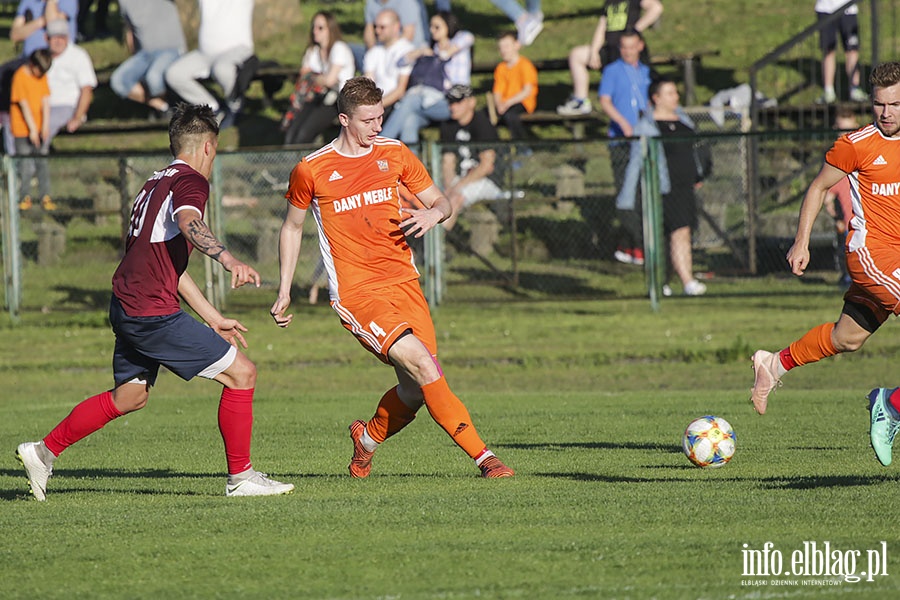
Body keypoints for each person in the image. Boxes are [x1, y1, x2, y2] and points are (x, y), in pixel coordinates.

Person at [16, 103, 295, 500]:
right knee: (242, 375)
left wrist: (213, 317)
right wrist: (229, 258)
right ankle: (242, 478)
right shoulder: (191, 181)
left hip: (128, 303)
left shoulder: (153, 183)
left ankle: (43, 453)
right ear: (209, 147)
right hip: (151, 312)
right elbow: (188, 223)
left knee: (130, 397)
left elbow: (169, 264)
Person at [270, 76, 514, 479]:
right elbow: (292, 228)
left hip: (404, 283)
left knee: (416, 389)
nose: (377, 127)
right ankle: (486, 460)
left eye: (381, 117)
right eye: (368, 120)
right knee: (424, 366)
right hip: (358, 293)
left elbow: (442, 200)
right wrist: (283, 290)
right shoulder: (311, 169)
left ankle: (366, 440)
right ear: (344, 119)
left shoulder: (395, 153)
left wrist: (435, 213)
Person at [749, 62, 900, 469]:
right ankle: (892, 407)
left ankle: (773, 364)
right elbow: (817, 187)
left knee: (847, 338)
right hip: (871, 253)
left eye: (895, 104)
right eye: (879, 104)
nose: (886, 113)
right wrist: (802, 241)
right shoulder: (856, 144)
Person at [621, 77, 708, 295]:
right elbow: (635, 162)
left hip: (685, 186)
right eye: (669, 93)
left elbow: (695, 151)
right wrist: (626, 197)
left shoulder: (685, 122)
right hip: (663, 188)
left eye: (675, 92)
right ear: (656, 98)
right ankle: (686, 282)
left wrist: (698, 174)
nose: (675, 97)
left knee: (681, 233)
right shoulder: (647, 126)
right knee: (675, 233)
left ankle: (667, 282)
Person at [598, 29, 652, 265]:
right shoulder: (612, 71)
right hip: (622, 141)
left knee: (643, 195)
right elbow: (605, 100)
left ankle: (639, 244)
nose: (628, 52)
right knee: (626, 195)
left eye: (632, 46)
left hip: (644, 141)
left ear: (640, 46)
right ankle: (637, 244)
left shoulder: (647, 72)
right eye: (624, 47)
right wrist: (622, 122)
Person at [380, 11, 474, 145]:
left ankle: (380, 144)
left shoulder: (458, 44)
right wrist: (420, 52)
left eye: (437, 27)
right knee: (409, 120)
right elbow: (401, 61)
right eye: (431, 26)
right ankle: (410, 164)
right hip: (431, 100)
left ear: (448, 26)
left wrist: (446, 52)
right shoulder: (429, 48)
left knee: (411, 100)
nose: (432, 30)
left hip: (453, 102)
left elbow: (468, 38)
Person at [557, 0, 662, 116]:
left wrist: (634, 31)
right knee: (577, 55)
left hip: (629, 51)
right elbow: (602, 26)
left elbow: (656, 8)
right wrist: (594, 51)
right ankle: (581, 100)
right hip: (611, 49)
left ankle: (653, 104)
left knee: (644, 79)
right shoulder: (609, 2)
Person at [165, 0, 255, 127]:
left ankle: (234, 107)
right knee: (174, 74)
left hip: (236, 50)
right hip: (204, 53)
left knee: (222, 69)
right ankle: (212, 108)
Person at [3, 0, 76, 154]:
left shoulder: (66, 2)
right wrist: (41, 21)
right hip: (28, 62)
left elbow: (54, 24)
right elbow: (15, 34)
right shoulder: (28, 2)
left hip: (48, 62)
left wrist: (50, 4)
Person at [282, 11, 354, 146]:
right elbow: (304, 75)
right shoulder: (314, 51)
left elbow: (330, 80)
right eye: (314, 27)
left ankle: (304, 165)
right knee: (291, 133)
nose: (315, 31)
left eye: (320, 28)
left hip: (338, 101)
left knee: (304, 134)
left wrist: (314, 78)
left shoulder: (339, 48)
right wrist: (316, 78)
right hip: (319, 97)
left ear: (330, 30)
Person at [441, 84, 504, 231]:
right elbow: (447, 163)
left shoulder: (482, 124)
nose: (453, 107)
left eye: (458, 102)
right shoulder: (448, 126)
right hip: (460, 180)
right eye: (451, 102)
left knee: (455, 199)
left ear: (471, 102)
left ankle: (437, 244)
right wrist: (449, 186)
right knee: (436, 198)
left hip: (486, 180)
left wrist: (456, 187)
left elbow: (486, 166)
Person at [110, 0, 186, 117]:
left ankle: (172, 106)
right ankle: (164, 107)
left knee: (153, 77)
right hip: (144, 54)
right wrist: (134, 57)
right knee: (118, 81)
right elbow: (129, 30)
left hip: (171, 49)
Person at [10, 49, 53, 211]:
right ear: (32, 64)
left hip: (39, 129)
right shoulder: (20, 77)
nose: (41, 74)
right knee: (25, 164)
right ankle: (24, 196)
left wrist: (45, 125)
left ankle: (45, 196)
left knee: (42, 162)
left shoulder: (41, 77)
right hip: (22, 130)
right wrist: (33, 130)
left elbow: (46, 100)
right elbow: (24, 105)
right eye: (39, 70)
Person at [823, 107, 859, 289]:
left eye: (848, 130)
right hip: (848, 221)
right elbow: (827, 196)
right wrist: (836, 216)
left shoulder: (862, 154)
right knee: (849, 255)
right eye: (840, 130)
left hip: (868, 219)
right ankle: (849, 280)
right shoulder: (836, 160)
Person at [45, 17, 96, 139]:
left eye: (62, 37)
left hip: (67, 106)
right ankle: (13, 157)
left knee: (45, 125)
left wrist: (77, 117)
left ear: (67, 38)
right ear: (46, 38)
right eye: (54, 37)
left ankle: (37, 156)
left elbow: (86, 89)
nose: (58, 41)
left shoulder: (78, 56)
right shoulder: (41, 57)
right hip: (41, 105)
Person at [363, 9, 415, 115]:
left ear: (396, 27)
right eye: (375, 27)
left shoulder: (406, 51)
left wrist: (376, 108)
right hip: (374, 103)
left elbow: (400, 90)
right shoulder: (373, 52)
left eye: (382, 27)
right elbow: (368, 83)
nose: (377, 31)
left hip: (394, 105)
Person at [815, 0, 866, 104]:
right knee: (828, 50)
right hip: (825, 9)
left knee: (852, 50)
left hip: (848, 9)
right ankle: (828, 91)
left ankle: (855, 88)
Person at [491, 30, 538, 140]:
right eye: (500, 47)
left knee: (511, 115)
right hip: (505, 104)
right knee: (486, 115)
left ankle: (520, 144)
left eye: (506, 46)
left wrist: (507, 103)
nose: (503, 50)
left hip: (522, 102)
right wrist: (499, 104)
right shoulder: (501, 68)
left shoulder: (525, 65)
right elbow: (497, 91)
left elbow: (527, 91)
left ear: (517, 45)